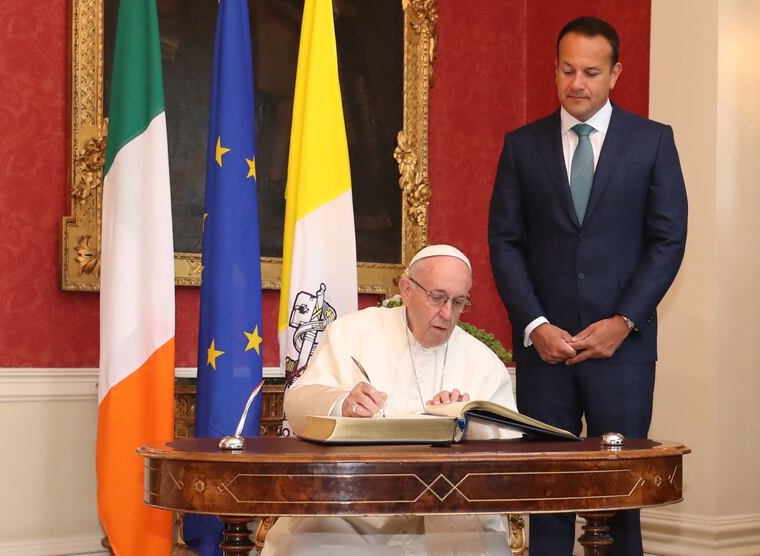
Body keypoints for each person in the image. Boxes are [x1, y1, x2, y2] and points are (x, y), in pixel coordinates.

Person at [488, 16, 687, 556]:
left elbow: (668, 241)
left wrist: (624, 322)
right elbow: (504, 243)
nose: (577, 83)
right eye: (567, 69)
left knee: (619, 497)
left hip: (622, 353)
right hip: (544, 353)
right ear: (555, 69)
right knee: (548, 494)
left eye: (591, 72)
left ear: (615, 74)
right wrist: (534, 325)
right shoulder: (521, 146)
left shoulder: (652, 143)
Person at [263, 244, 520, 556]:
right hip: (352, 511)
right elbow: (299, 401)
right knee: (310, 545)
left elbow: (508, 446)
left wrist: (463, 421)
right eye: (437, 298)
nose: (447, 314)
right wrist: (342, 404)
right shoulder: (353, 333)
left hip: (445, 514)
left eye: (458, 302)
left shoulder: (482, 360)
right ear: (407, 289)